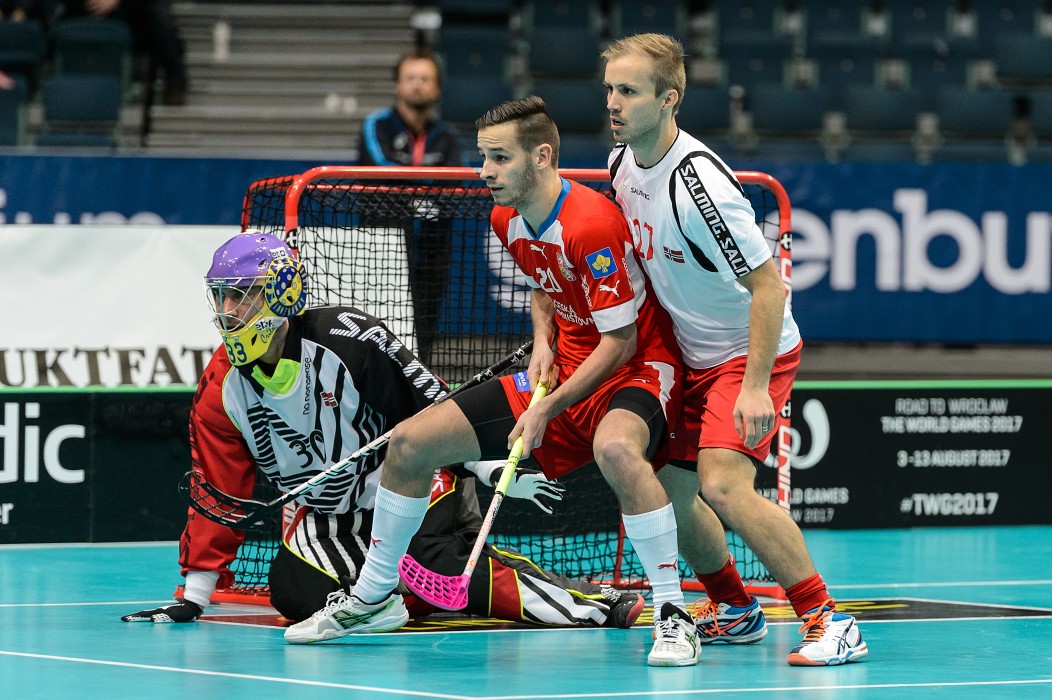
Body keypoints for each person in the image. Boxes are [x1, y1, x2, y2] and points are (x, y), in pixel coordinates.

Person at [286, 96, 701, 668]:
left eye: (499, 158)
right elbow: (542, 285)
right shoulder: (506, 218)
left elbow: (622, 342)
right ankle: (374, 597)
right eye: (484, 157)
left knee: (617, 452)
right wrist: (545, 341)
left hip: (635, 370)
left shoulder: (592, 225)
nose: (484, 172)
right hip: (565, 368)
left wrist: (546, 407)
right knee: (409, 445)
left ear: (542, 156)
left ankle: (674, 614)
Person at [120, 231, 645, 631]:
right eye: (221, 298)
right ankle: (391, 596)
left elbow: (436, 408)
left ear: (280, 294)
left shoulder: (350, 340)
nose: (228, 312)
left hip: (411, 487)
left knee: (437, 570)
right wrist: (196, 593)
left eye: (243, 296)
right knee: (293, 592)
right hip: (325, 517)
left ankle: (592, 603)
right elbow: (218, 488)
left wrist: (481, 468)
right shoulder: (221, 389)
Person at [601, 33, 868, 667]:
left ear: (670, 99)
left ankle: (830, 619)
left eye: (629, 91)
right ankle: (735, 607)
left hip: (749, 351)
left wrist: (752, 388)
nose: (613, 102)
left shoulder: (700, 186)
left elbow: (769, 288)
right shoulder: (620, 164)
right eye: (609, 88)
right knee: (668, 487)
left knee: (723, 485)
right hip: (690, 352)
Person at [356, 48, 461, 368]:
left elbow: (454, 186)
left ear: (437, 88)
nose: (417, 85)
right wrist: (425, 195)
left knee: (424, 324)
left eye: (425, 79)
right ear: (397, 86)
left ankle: (420, 384)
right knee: (376, 322)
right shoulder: (376, 126)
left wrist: (411, 196)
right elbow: (383, 170)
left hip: (431, 249)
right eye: (411, 78)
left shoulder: (448, 137)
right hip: (382, 246)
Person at [56, 0, 189, 105]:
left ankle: (175, 84)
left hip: (132, 18)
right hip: (83, 12)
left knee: (158, 13)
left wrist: (117, 1)